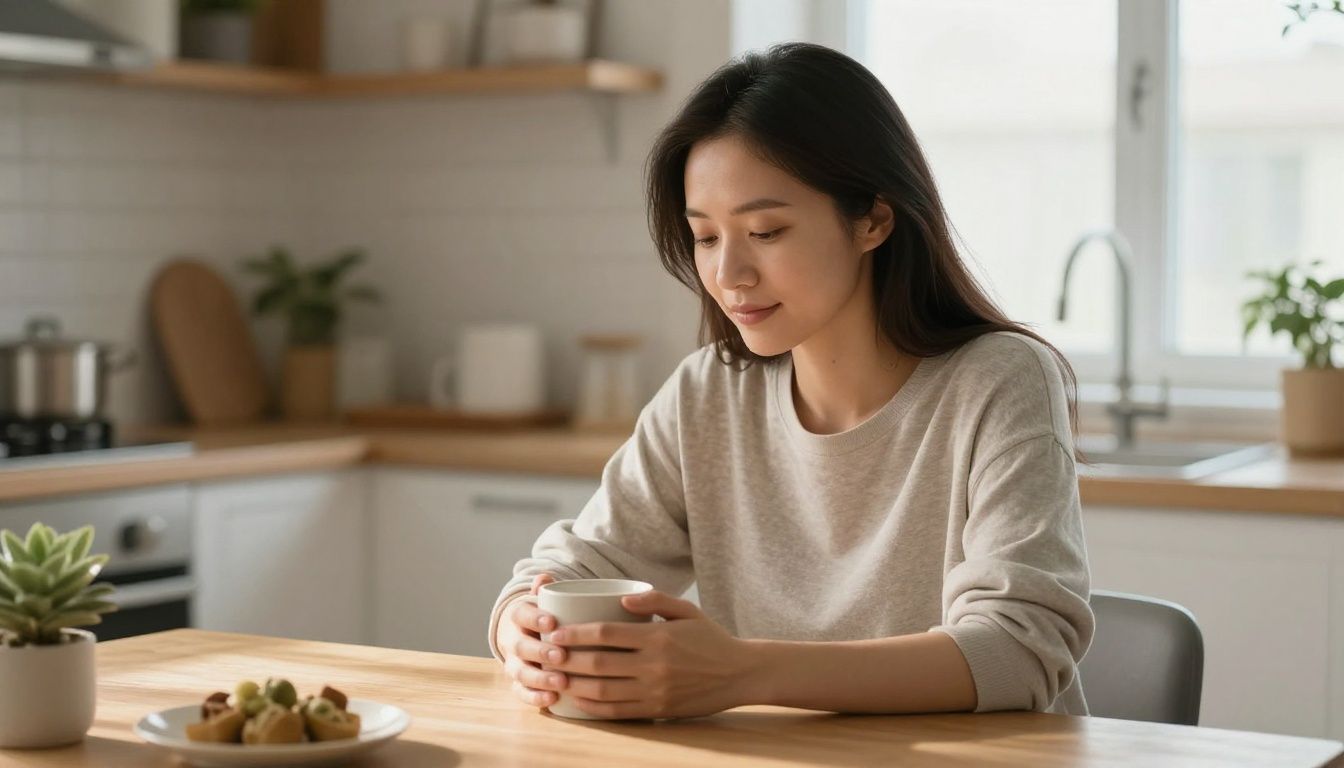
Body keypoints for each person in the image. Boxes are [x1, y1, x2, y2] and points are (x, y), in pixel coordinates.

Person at [487, 42, 1094, 720]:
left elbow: (1018, 650)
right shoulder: (707, 396)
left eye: (766, 231)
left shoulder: (1000, 381)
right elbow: (573, 567)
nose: (729, 275)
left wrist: (741, 673)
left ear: (873, 219)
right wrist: (521, 628)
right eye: (706, 237)